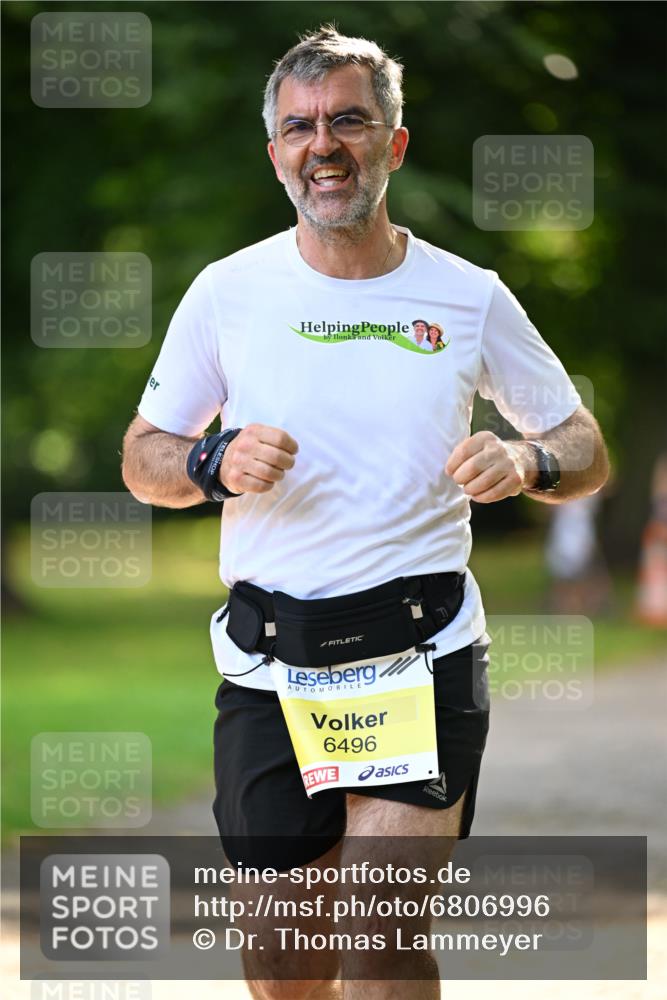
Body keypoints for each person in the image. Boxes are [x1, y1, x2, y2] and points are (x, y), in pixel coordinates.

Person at [122, 25, 609, 1000]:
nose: (323, 146)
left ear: (394, 143)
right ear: (275, 155)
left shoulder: (467, 297)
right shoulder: (228, 293)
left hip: (418, 651)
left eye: (348, 121)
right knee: (282, 961)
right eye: (299, 128)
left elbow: (583, 445)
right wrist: (211, 461)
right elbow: (144, 459)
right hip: (270, 659)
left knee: (380, 942)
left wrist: (526, 457)